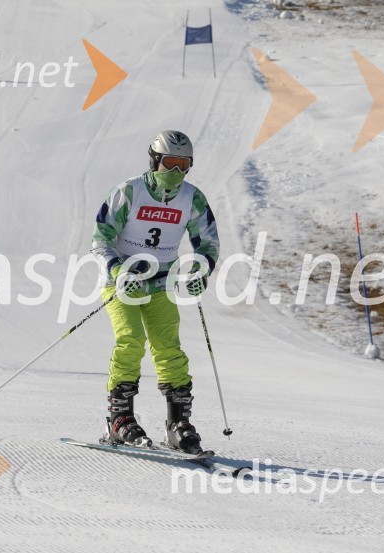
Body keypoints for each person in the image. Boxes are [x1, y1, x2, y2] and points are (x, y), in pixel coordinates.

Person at [90, 130, 220, 454]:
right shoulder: (129, 192)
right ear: (155, 160)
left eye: (183, 165)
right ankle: (119, 420)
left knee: (169, 349)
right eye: (169, 163)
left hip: (162, 283)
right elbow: (101, 239)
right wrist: (119, 271)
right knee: (130, 340)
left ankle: (178, 425)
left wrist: (200, 270)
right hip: (124, 282)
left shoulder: (192, 199)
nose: (175, 172)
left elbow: (207, 242)